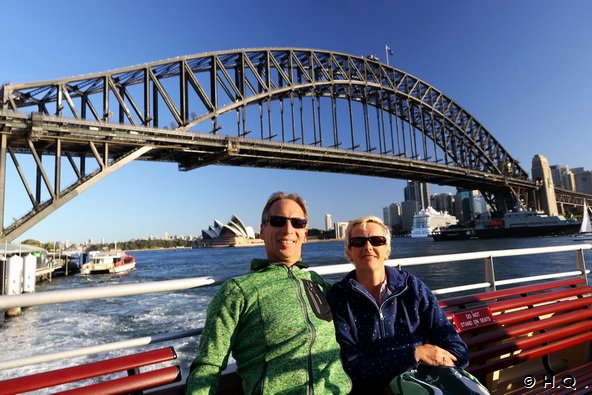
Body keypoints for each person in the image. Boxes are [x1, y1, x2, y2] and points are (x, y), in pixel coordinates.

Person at [186, 192, 352, 394]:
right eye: (278, 221)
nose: (288, 229)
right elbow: (208, 366)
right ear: (262, 230)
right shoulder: (238, 291)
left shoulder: (320, 284)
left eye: (297, 222)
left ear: (305, 233)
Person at [327, 216, 469, 394]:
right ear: (349, 252)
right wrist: (415, 354)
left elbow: (457, 350)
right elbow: (353, 369)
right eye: (358, 242)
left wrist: (430, 364)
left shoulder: (412, 288)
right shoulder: (339, 297)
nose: (368, 247)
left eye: (377, 241)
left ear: (387, 249)